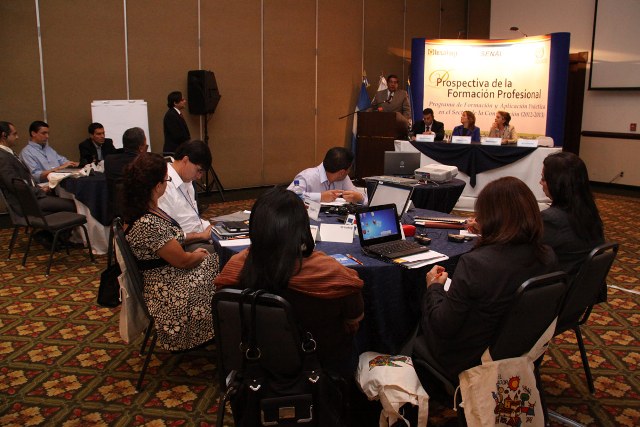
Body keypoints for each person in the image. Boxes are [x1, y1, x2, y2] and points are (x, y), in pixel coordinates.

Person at [418, 176, 557, 380]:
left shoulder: (476, 264)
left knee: (417, 321)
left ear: (491, 217)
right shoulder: (547, 256)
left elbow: (443, 326)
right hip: (518, 351)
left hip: (469, 361)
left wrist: (434, 287)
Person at [215, 187, 364, 375]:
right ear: (302, 228)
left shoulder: (234, 268)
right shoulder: (333, 274)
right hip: (319, 364)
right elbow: (354, 319)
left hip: (254, 363)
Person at [122, 152, 219, 351]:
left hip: (164, 278)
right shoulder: (148, 222)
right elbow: (183, 261)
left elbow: (169, 238)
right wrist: (199, 255)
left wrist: (198, 238)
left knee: (223, 262)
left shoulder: (140, 210)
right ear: (157, 186)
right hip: (170, 292)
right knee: (226, 263)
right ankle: (228, 326)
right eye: (166, 180)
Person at [540, 152, 605, 285]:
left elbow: (526, 255)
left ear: (557, 183)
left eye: (543, 179)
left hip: (559, 290)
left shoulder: (551, 220)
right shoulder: (589, 212)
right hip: (583, 289)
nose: (540, 183)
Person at [0, 121, 75, 215]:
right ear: (4, 135)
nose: (17, 137)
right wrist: (39, 191)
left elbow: (23, 180)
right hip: (29, 203)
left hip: (32, 197)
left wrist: (39, 188)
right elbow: (15, 184)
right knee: (74, 205)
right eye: (14, 134)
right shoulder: (2, 156)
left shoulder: (7, 153)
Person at [158, 140, 214, 252]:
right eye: (199, 171)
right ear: (185, 160)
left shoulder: (186, 180)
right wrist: (200, 236)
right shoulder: (164, 184)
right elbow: (166, 236)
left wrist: (207, 226)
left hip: (199, 237)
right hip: (184, 246)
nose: (199, 177)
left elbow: (191, 216)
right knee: (233, 256)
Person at [287, 146, 366, 204]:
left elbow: (364, 198)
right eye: (349, 169)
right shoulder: (307, 176)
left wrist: (360, 198)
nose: (349, 172)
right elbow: (289, 198)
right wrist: (320, 197)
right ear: (342, 172)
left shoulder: (343, 178)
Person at [104, 127, 148, 222]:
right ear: (141, 147)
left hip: (115, 212)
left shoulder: (109, 160)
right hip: (141, 214)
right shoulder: (144, 164)